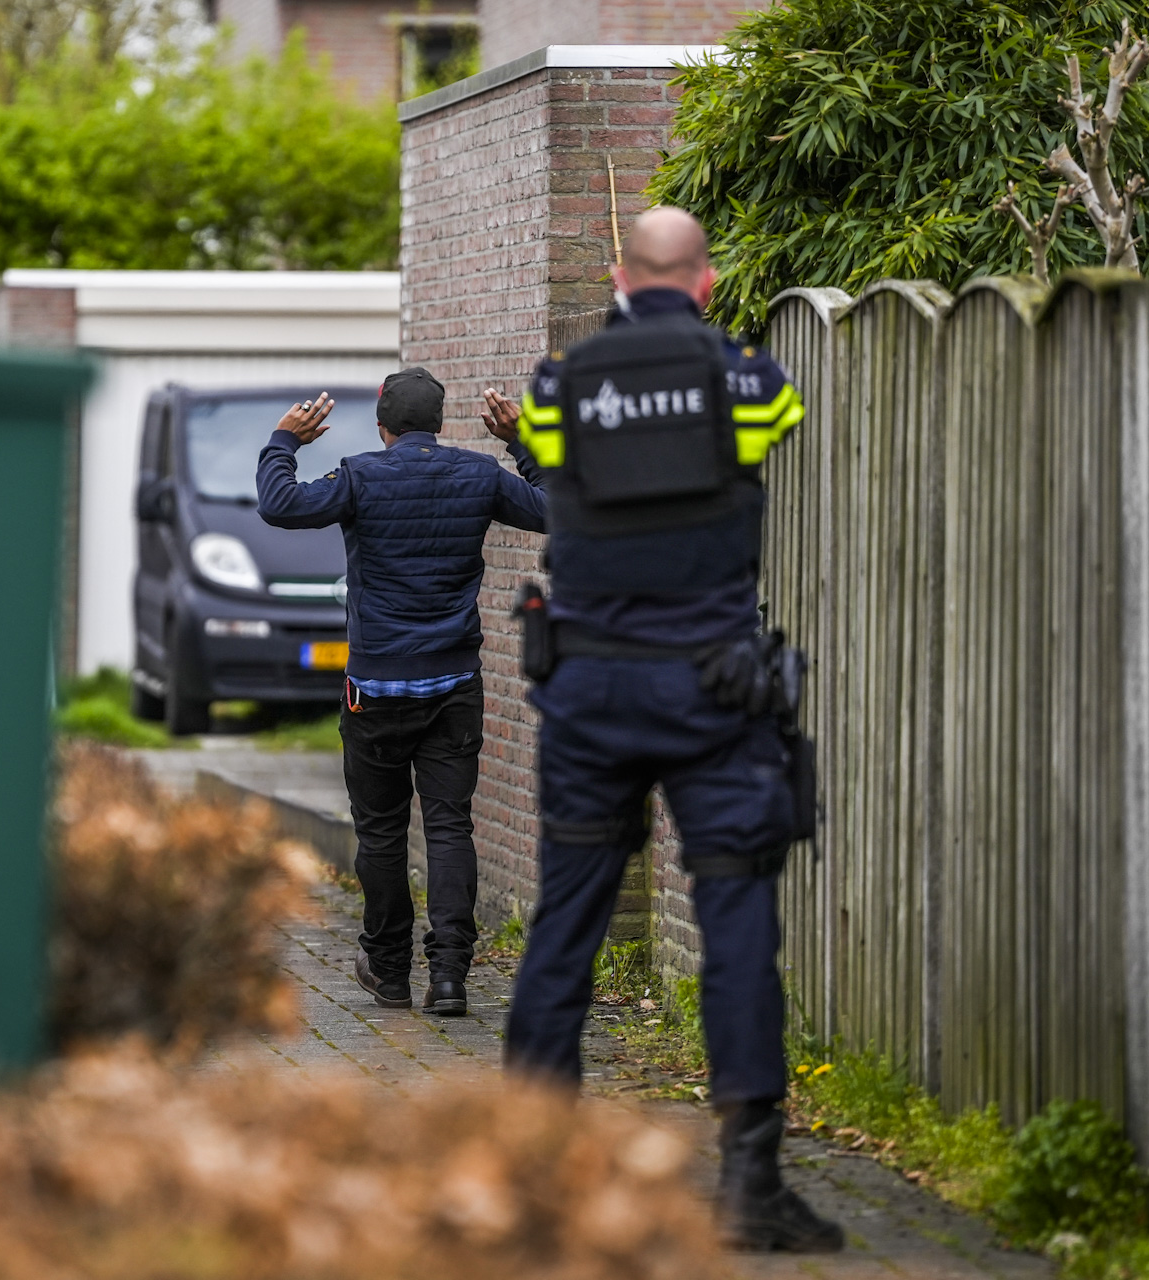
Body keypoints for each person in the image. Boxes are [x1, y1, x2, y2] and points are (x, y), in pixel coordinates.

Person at [486, 208, 842, 1253]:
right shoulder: (749, 381)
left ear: (617, 274)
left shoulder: (560, 386)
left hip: (590, 690)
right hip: (715, 693)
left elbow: (548, 462)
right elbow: (781, 423)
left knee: (566, 920)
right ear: (706, 281)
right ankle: (751, 1183)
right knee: (736, 924)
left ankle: (531, 1179)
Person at [257, 368, 546, 1017]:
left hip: (376, 687)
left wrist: (284, 439)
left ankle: (388, 971)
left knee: (382, 833)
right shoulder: (480, 476)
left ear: (383, 424)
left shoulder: (360, 475)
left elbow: (280, 503)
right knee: (448, 827)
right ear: (440, 423)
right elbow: (561, 509)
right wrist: (522, 443)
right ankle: (448, 979)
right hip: (453, 685)